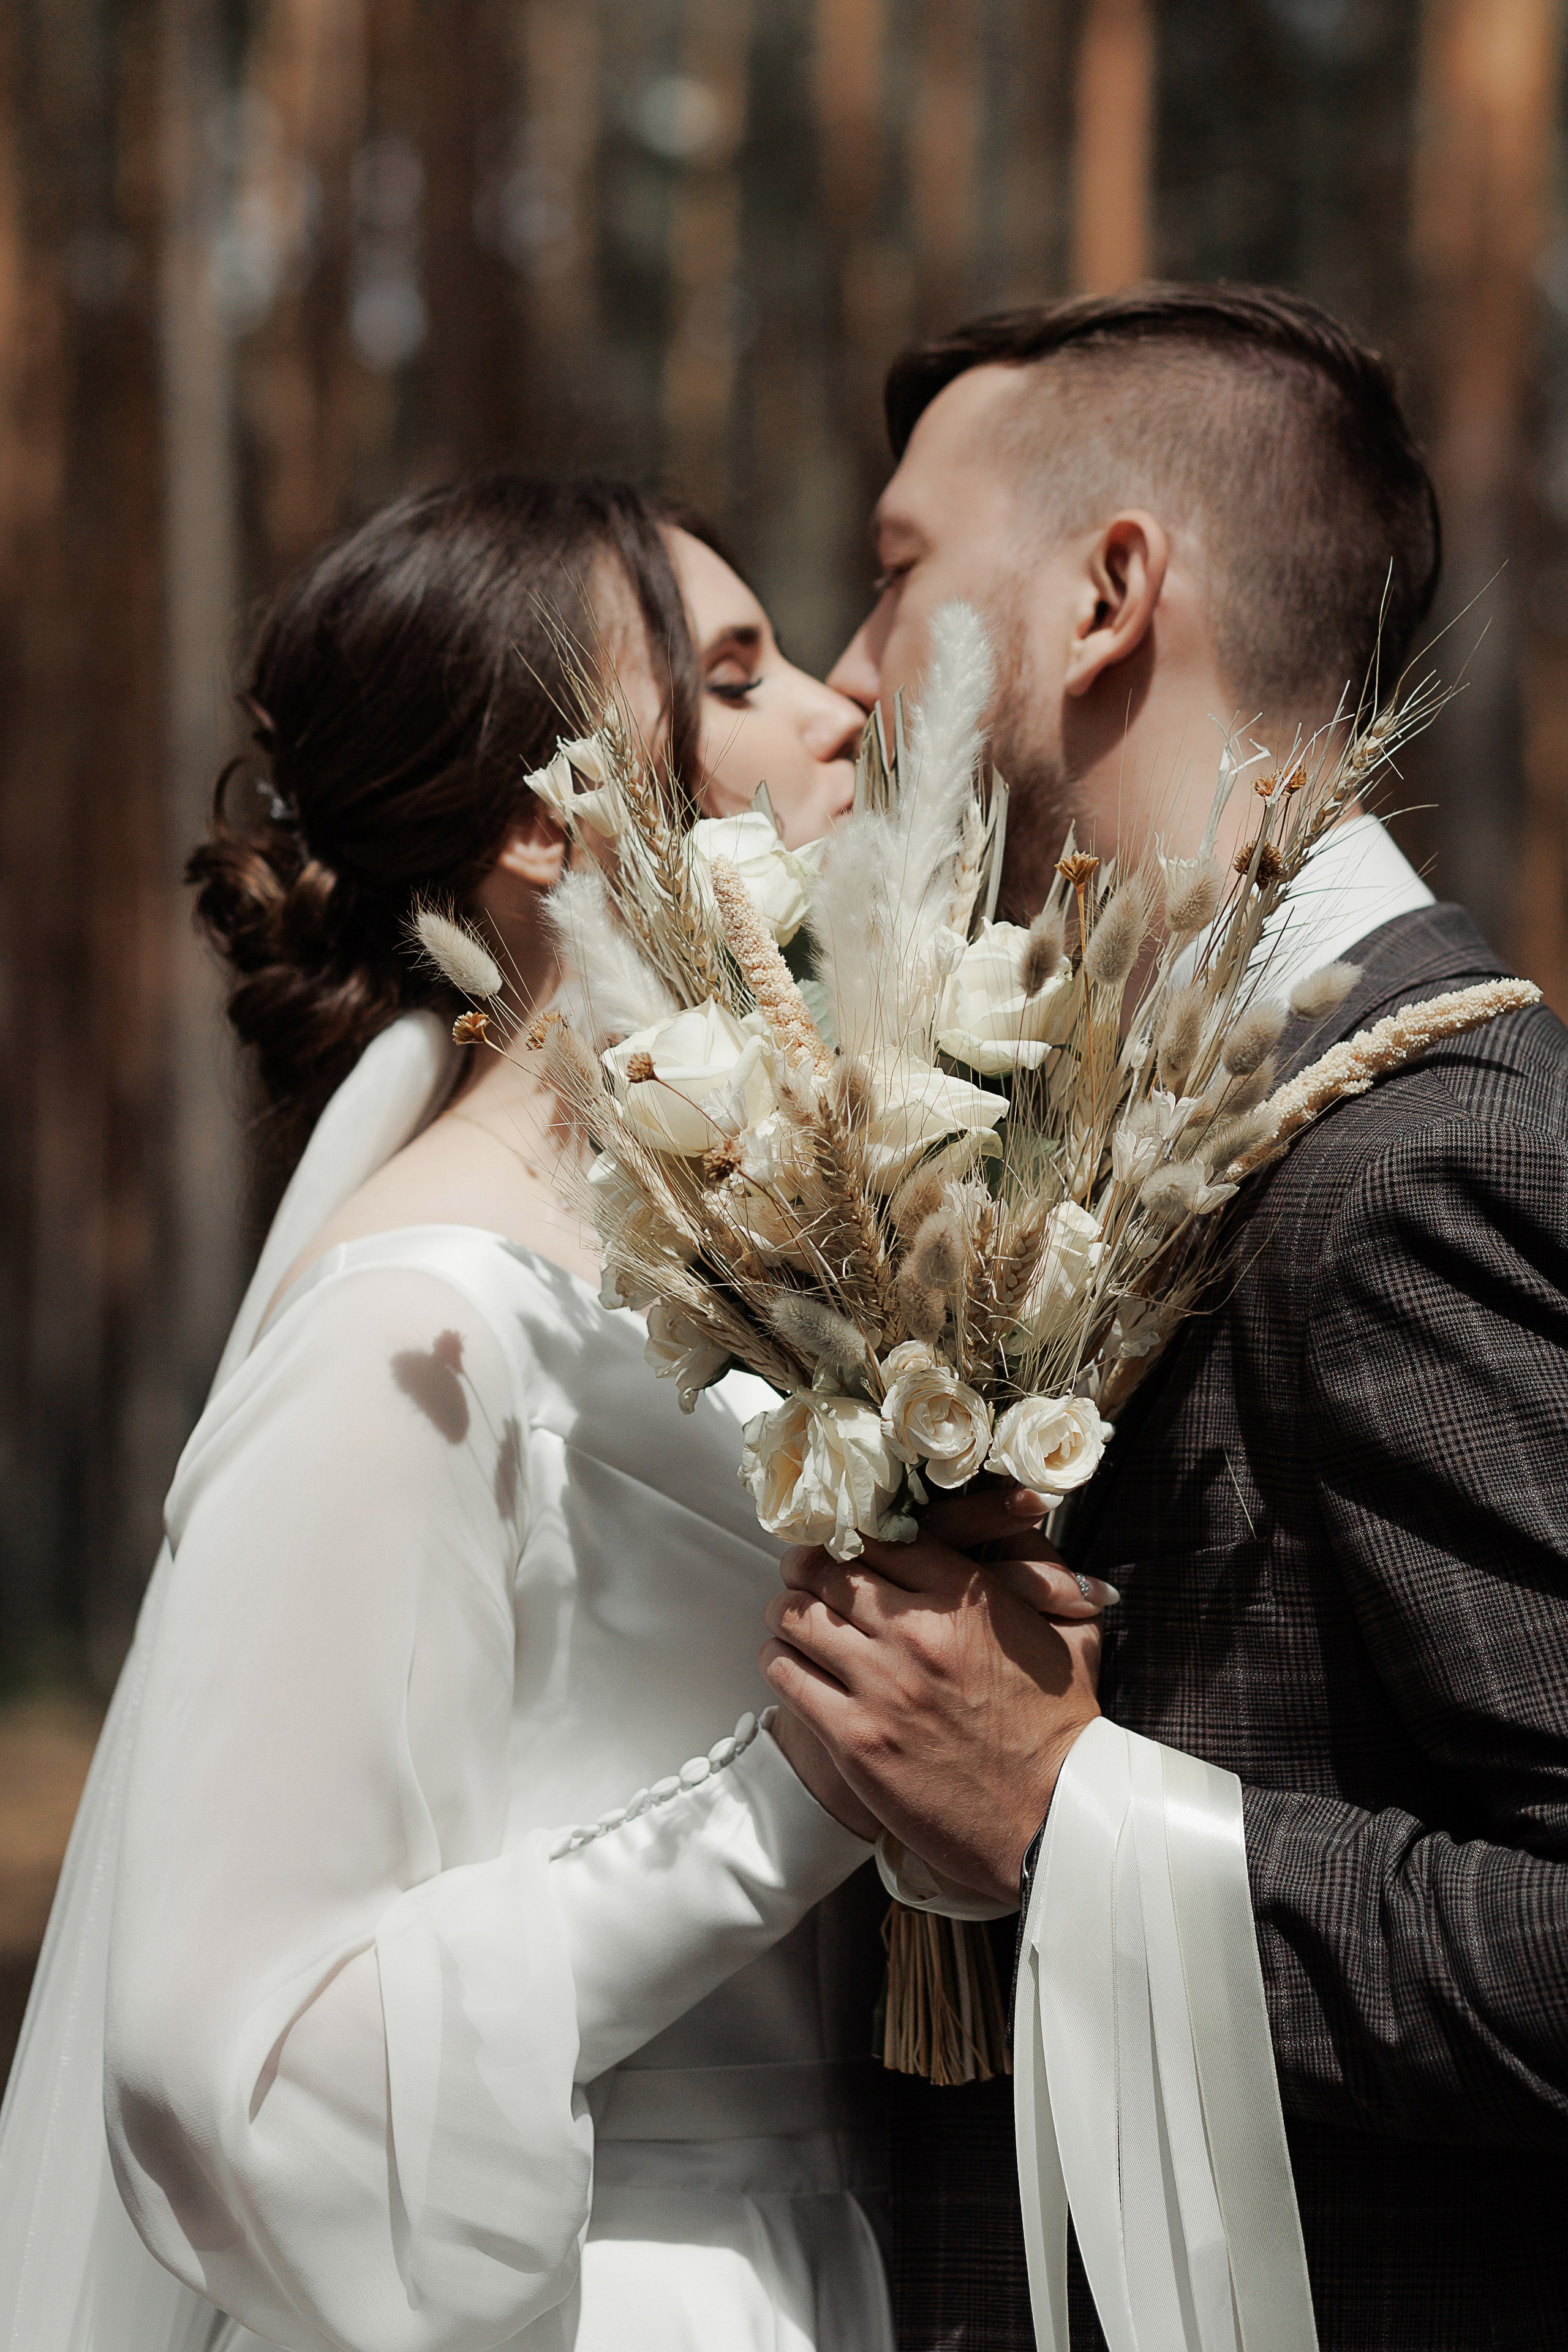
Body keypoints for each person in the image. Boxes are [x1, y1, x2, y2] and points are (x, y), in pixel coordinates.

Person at [2, 472, 1077, 2352]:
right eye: (730, 678)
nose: (838, 706)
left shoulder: (753, 1262)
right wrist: (804, 1794)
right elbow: (228, 2059)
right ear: (539, 817)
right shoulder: (412, 1330)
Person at [762, 286, 1568, 2350]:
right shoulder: (1135, 1141)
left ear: (1110, 594)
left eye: (897, 573)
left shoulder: (1422, 1157)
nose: (849, 675)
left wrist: (1066, 1814)